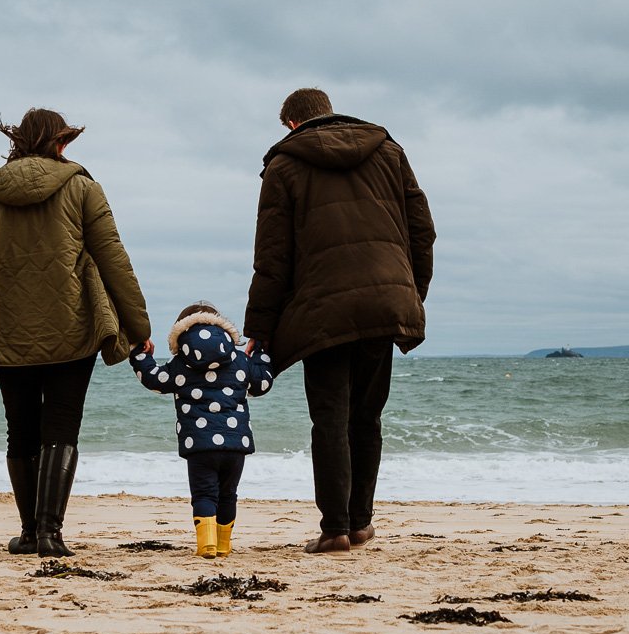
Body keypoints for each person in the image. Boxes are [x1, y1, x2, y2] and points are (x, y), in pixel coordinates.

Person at [242, 88, 434, 554]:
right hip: (385, 301)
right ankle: (361, 522)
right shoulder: (388, 151)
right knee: (367, 418)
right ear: (327, 111)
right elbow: (422, 230)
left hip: (322, 309)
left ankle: (336, 529)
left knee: (330, 418)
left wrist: (259, 330)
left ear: (291, 124)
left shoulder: (284, 165)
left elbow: (273, 257)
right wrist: (409, 293)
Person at [0, 108, 152, 557]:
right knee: (61, 426)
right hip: (72, 323)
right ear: (60, 143)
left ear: (18, 142)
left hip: (3, 326)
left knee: (19, 430)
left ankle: (28, 532)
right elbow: (113, 259)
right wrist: (137, 325)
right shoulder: (83, 188)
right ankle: (50, 533)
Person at [129, 301, 274, 558]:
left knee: (205, 494)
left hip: (199, 446)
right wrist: (260, 351)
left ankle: (206, 545)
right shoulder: (240, 361)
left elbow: (154, 379)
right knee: (228, 494)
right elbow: (262, 384)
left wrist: (140, 354)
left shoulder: (180, 365)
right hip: (235, 445)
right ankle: (223, 546)